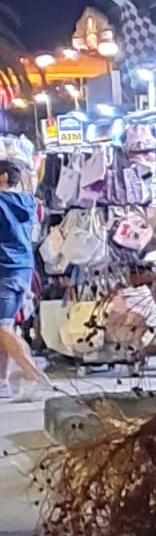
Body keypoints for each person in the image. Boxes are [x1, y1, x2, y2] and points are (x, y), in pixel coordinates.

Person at [0, 163, 50, 397]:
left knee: (2, 328)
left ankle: (33, 374)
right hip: (23, 269)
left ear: (3, 176)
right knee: (6, 327)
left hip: (4, 269)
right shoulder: (28, 202)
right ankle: (2, 381)